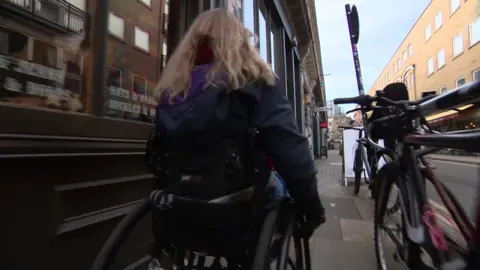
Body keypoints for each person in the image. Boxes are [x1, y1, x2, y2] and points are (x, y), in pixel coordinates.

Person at [151, 8, 325, 239]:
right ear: (240, 43)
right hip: (235, 202)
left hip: (177, 198)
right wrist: (311, 206)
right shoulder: (252, 83)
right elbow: (290, 148)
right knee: (280, 188)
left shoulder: (172, 90)